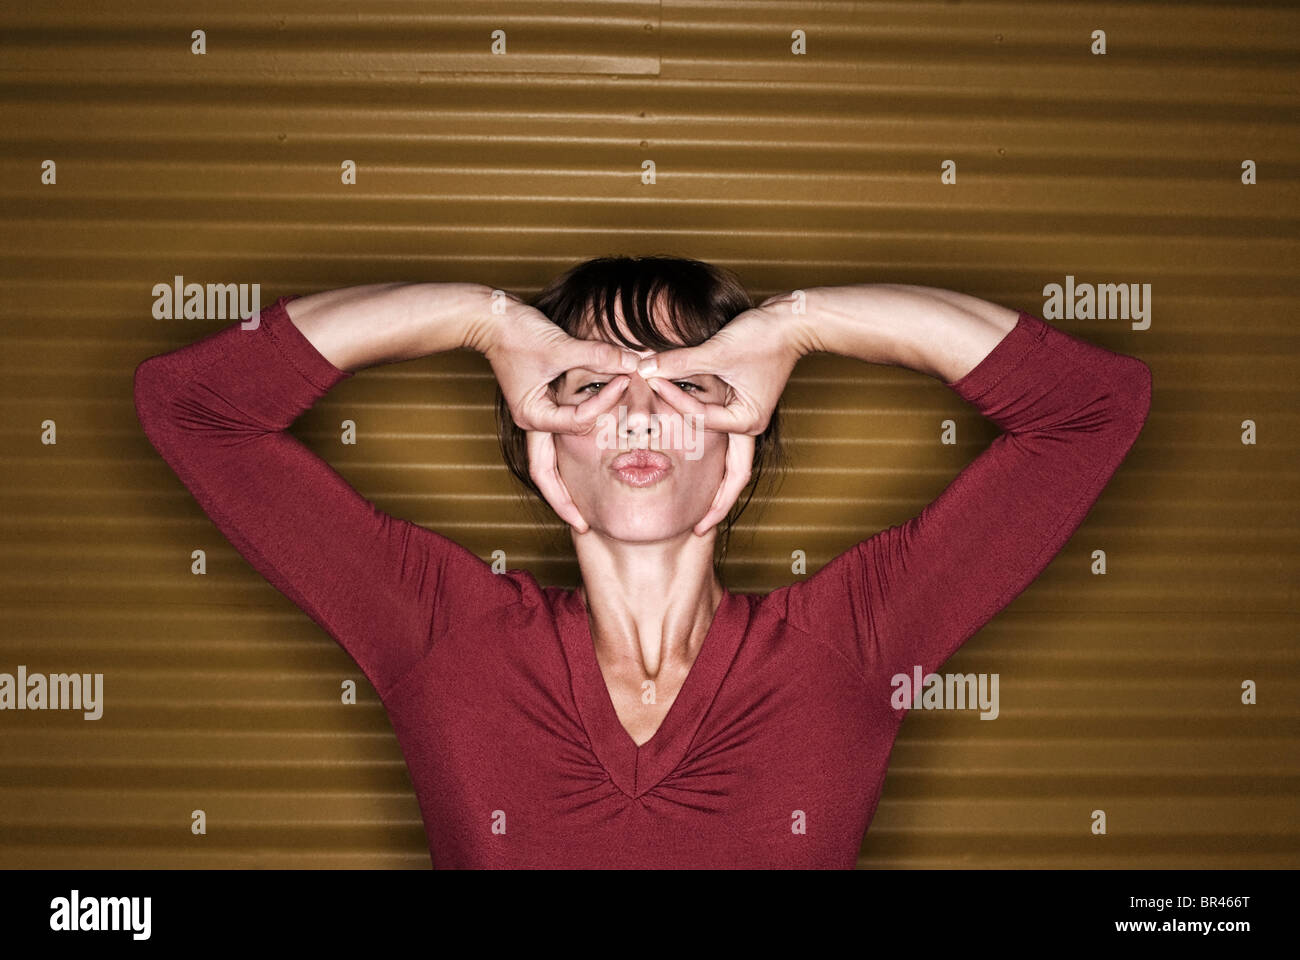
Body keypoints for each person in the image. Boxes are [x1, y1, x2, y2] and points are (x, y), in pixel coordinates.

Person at [133, 256, 1152, 868]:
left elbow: (1090, 410)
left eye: (691, 385)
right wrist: (484, 319)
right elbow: (193, 407)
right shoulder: (441, 631)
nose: (637, 411)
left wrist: (798, 325)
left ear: (739, 435)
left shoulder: (854, 641)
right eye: (587, 384)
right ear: (539, 434)